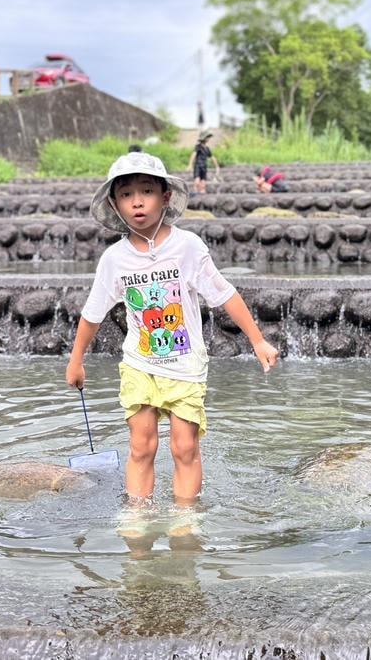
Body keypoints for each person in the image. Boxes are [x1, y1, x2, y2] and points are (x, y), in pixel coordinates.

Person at [65, 151, 278, 508]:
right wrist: (76, 361)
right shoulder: (114, 260)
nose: (137, 202)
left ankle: (185, 516)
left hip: (185, 366)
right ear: (114, 204)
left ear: (164, 197)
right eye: (126, 194)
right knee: (141, 446)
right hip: (140, 364)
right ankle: (137, 513)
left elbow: (225, 292)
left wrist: (257, 340)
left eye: (146, 191)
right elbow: (93, 313)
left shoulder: (187, 247)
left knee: (184, 447)